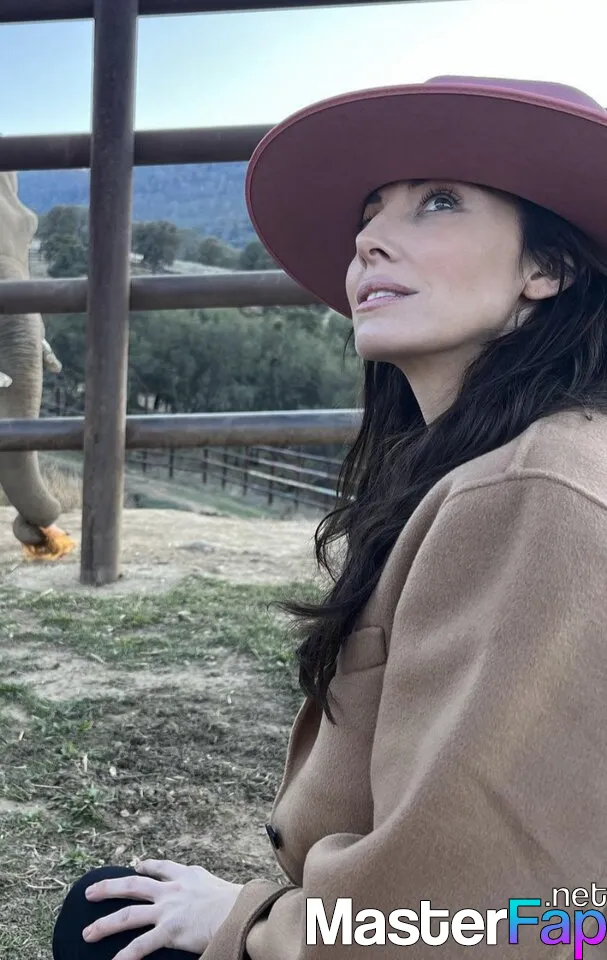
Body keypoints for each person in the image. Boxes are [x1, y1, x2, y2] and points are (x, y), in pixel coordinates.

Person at [52, 75, 607, 959]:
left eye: (438, 201)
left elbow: (491, 914)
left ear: (549, 268)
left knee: (99, 928)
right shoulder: (503, 461)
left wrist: (248, 923)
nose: (368, 239)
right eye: (370, 212)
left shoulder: (530, 491)